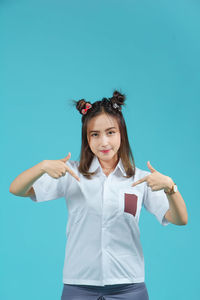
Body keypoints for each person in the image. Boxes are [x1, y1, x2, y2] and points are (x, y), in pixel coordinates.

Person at [9, 90, 188, 300]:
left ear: (122, 134)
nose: (104, 142)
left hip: (129, 286)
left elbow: (180, 219)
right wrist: (41, 167)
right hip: (79, 285)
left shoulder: (140, 179)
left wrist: (170, 188)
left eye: (111, 132)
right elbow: (16, 189)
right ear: (87, 139)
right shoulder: (71, 173)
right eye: (95, 134)